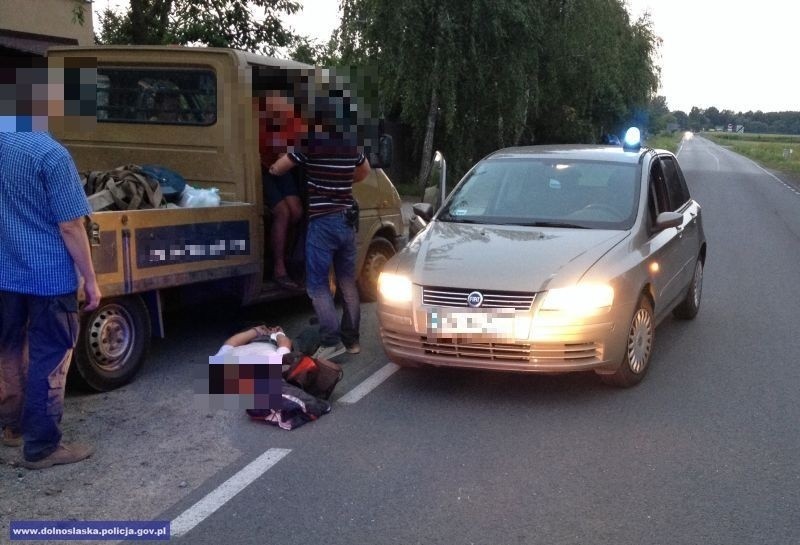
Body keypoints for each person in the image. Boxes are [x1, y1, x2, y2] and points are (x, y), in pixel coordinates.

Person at [0, 131, 102, 470]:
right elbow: (71, 226)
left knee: (10, 350)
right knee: (51, 355)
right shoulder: (50, 154)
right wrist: (90, 279)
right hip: (48, 278)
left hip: (5, 273)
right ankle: (42, 447)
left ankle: (13, 428)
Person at [268, 93, 371, 360]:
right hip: (347, 219)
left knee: (316, 286)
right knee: (348, 282)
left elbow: (279, 169)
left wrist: (275, 164)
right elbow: (364, 171)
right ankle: (352, 341)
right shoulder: (351, 144)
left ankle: (330, 340)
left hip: (323, 222)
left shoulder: (310, 144)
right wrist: (343, 181)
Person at [258, 89, 306, 291]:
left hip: (281, 167)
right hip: (261, 168)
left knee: (297, 211)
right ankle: (279, 268)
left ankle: (286, 254)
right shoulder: (258, 120)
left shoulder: (291, 118)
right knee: (282, 213)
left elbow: (300, 142)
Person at [214, 325, 293, 358]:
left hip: (253, 342)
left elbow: (230, 343)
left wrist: (256, 331)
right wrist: (279, 333)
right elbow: (285, 344)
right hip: (271, 343)